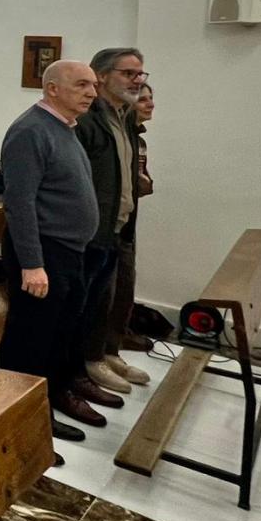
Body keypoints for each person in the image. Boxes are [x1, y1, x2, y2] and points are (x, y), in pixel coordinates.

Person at [0, 59, 102, 462]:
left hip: (67, 251)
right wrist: (32, 264)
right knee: (27, 348)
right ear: (52, 88)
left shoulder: (64, 128)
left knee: (55, 342)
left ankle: (39, 415)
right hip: (43, 254)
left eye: (92, 85)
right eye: (81, 84)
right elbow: (19, 202)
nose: (91, 92)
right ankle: (11, 431)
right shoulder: (30, 131)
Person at [76, 47, 152, 398]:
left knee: (120, 292)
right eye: (129, 73)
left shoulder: (125, 117)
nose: (138, 80)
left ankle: (109, 351)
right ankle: (90, 360)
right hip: (93, 228)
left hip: (121, 223)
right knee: (95, 299)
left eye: (141, 74)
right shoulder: (87, 119)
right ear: (101, 76)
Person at [106, 82, 157, 354]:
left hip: (129, 219)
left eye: (151, 98)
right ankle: (107, 343)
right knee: (115, 285)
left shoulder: (139, 140)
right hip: (113, 224)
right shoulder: (116, 137)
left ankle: (119, 334)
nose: (150, 104)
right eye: (143, 100)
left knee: (126, 282)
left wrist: (143, 182)